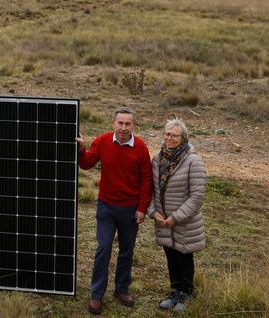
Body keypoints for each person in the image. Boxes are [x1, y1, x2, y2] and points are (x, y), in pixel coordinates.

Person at [77, 107, 152, 314]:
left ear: (133, 126)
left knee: (126, 251)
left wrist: (142, 208)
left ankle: (121, 289)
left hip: (130, 210)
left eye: (128, 124)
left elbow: (147, 181)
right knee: (104, 248)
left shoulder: (141, 148)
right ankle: (96, 295)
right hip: (106, 207)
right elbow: (87, 164)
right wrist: (82, 150)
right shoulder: (102, 141)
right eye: (120, 123)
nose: (124, 128)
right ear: (113, 124)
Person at [147, 118, 206, 312]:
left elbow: (197, 196)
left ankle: (186, 293)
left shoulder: (193, 160)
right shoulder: (158, 158)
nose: (169, 138)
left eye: (174, 135)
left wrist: (176, 217)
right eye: (167, 134)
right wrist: (154, 213)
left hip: (184, 221)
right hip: (163, 220)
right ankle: (174, 291)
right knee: (170, 255)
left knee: (184, 256)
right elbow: (152, 189)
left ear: (183, 138)